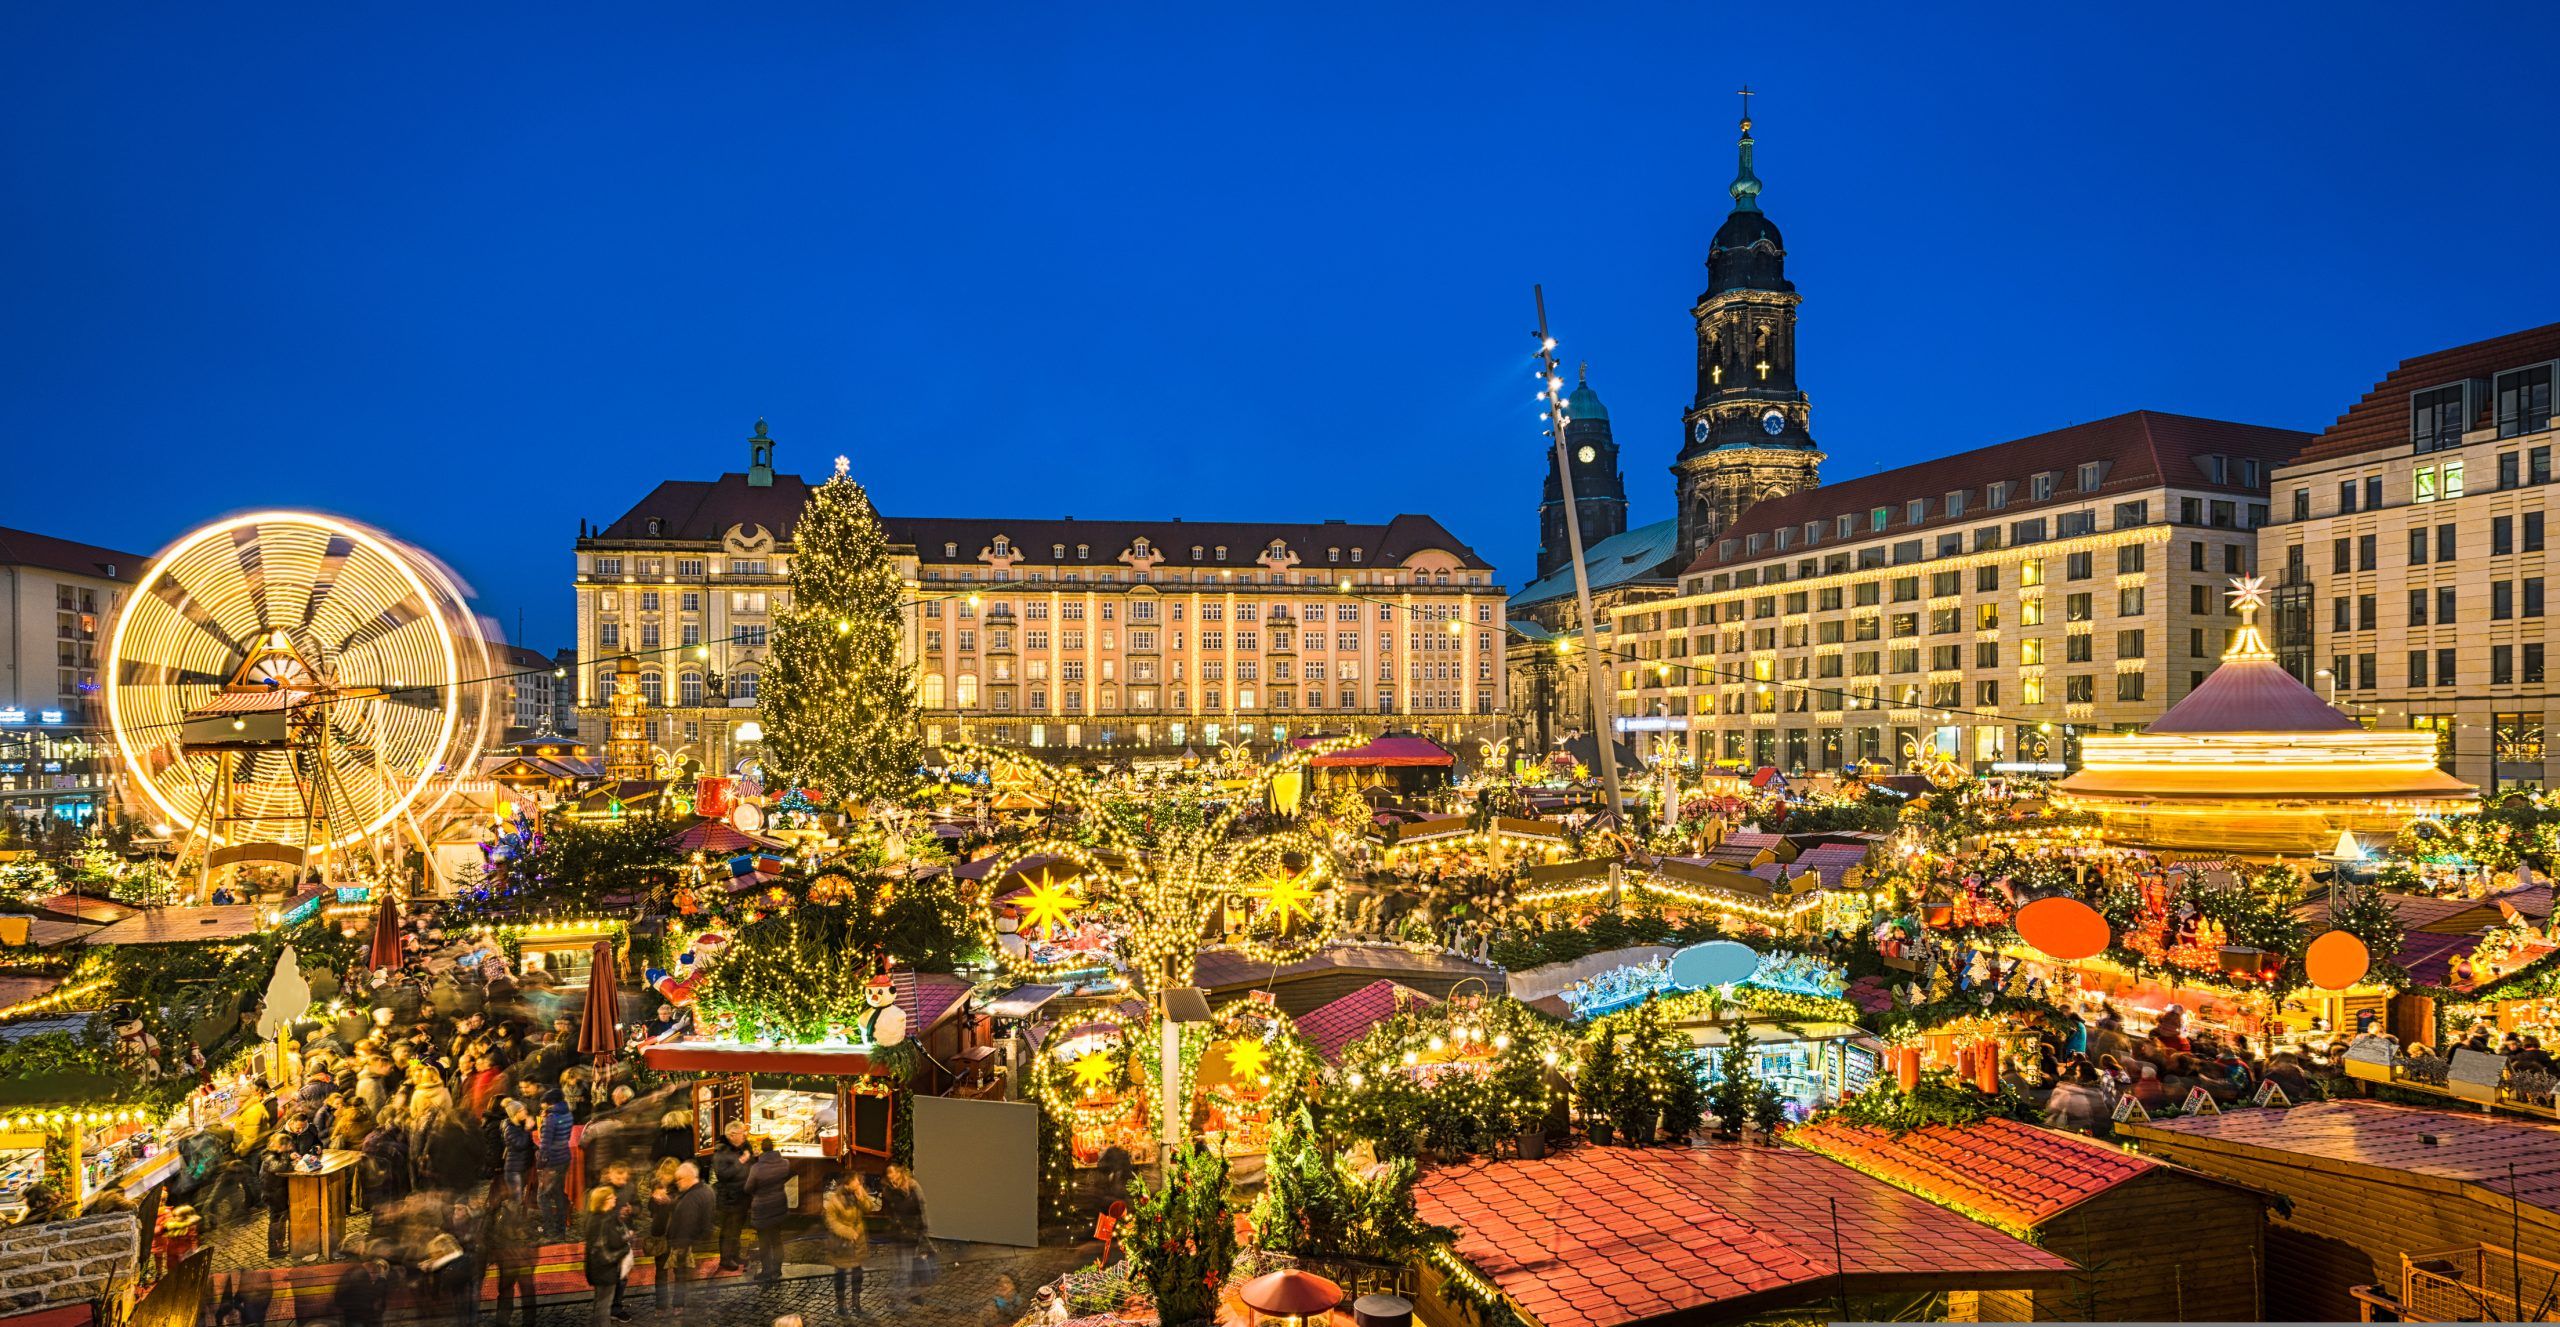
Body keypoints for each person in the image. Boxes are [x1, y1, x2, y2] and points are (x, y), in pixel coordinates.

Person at [664, 1162, 717, 1320]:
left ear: (688, 1178)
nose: (677, 1183)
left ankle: (680, 1306)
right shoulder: (706, 1189)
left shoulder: (691, 1198)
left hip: (687, 1245)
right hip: (700, 1241)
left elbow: (686, 1224)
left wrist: (680, 1248)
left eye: (679, 1179)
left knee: (681, 1277)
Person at [483, 1192, 542, 1327]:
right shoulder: (498, 1214)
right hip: (508, 1261)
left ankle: (527, 1322)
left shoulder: (528, 1210)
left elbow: (538, 1232)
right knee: (507, 1293)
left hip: (522, 1260)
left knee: (525, 1293)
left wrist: (530, 1238)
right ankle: (503, 1322)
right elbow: (490, 1236)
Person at [820, 1175, 874, 1318]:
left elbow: (869, 1208)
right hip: (842, 1244)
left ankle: (856, 1304)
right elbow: (831, 1222)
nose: (859, 1184)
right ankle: (841, 1305)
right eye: (856, 1183)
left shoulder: (858, 1194)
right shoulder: (835, 1200)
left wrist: (862, 1197)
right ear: (847, 1184)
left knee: (858, 1274)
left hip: (857, 1244)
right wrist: (848, 1232)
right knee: (841, 1275)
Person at [744, 1138, 794, 1286]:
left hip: (762, 1209)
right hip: (779, 1205)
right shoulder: (784, 1163)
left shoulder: (756, 1168)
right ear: (774, 1148)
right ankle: (777, 1270)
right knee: (777, 1240)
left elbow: (748, 1188)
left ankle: (766, 1272)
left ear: (761, 1150)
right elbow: (788, 1174)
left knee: (764, 1242)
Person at [583, 1184, 634, 1327]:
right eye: (611, 1197)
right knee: (603, 1307)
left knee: (601, 1303)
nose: (615, 1198)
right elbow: (604, 1252)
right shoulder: (602, 1221)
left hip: (600, 1270)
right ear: (603, 1201)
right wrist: (624, 1250)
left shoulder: (599, 1217)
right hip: (605, 1271)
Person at [711, 1120, 753, 1271]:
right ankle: (725, 1259)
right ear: (732, 1135)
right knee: (729, 1228)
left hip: (742, 1195)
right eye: (742, 1133)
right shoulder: (721, 1152)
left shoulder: (741, 1146)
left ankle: (735, 1255)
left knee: (737, 1228)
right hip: (729, 1197)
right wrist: (740, 1162)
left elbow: (751, 1160)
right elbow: (723, 1174)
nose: (745, 1135)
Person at [537, 1092, 578, 1236]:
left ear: (549, 1103)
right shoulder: (567, 1114)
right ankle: (561, 1228)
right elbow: (565, 1136)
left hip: (552, 1161)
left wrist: (541, 1163)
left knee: (542, 1197)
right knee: (559, 1193)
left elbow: (545, 1144)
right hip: (564, 1157)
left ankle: (549, 1229)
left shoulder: (550, 1118)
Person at [420, 1232, 478, 1327]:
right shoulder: (462, 1260)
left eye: (433, 1254)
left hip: (457, 1315)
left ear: (442, 1252)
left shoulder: (453, 1267)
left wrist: (431, 1268)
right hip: (462, 1314)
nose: (431, 1257)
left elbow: (444, 1287)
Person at [334, 1242, 395, 1327]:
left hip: (363, 1315)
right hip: (356, 1315)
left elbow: (380, 1303)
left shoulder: (378, 1279)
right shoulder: (359, 1275)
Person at [258, 1133, 295, 1259]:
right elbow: (279, 1168)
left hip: (276, 1193)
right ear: (281, 1146)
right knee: (277, 1221)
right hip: (273, 1194)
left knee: (280, 1219)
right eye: (289, 1145)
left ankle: (278, 1246)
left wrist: (289, 1157)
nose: (291, 1147)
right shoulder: (270, 1156)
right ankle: (273, 1250)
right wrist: (288, 1157)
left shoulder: (275, 1154)